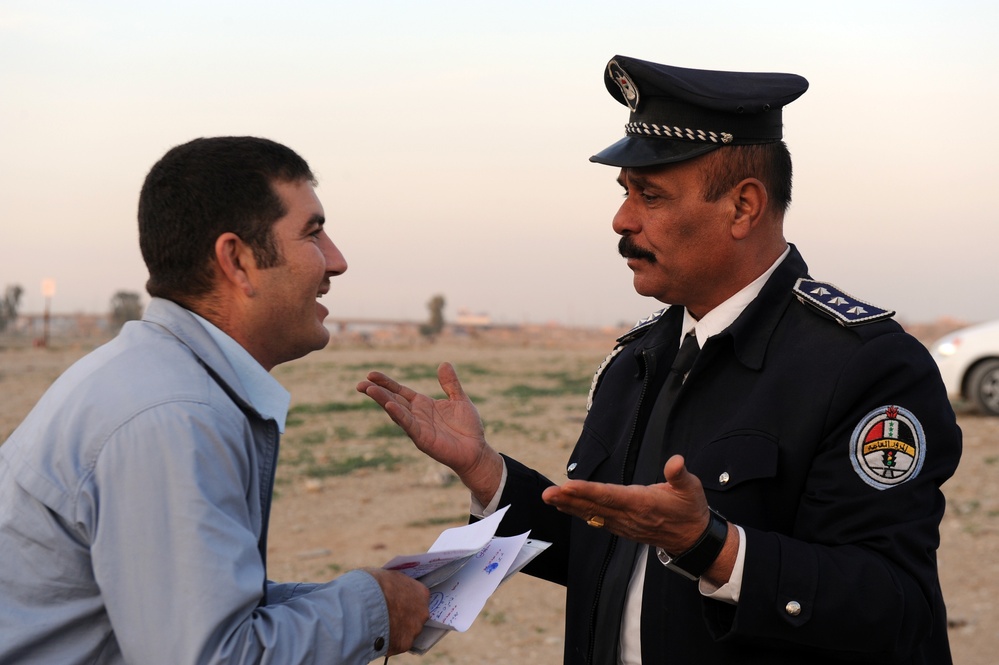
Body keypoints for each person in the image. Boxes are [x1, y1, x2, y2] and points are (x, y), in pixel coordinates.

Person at [357, 56, 962, 664]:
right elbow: (609, 553)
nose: (622, 220)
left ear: (742, 207)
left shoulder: (865, 367)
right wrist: (488, 472)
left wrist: (712, 546)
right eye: (625, 192)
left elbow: (896, 604)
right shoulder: (636, 363)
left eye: (650, 195)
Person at [0, 136, 429, 664]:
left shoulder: (161, 379)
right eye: (313, 233)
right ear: (238, 260)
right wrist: (372, 609)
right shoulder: (174, 416)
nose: (336, 262)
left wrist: (365, 598)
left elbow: (184, 613)